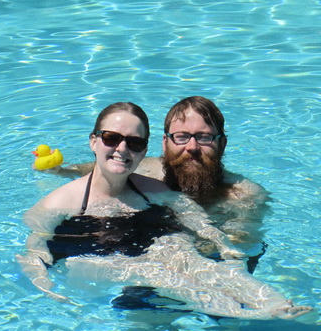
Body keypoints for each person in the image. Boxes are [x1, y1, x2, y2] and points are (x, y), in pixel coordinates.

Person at [19, 102, 312, 320]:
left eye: (134, 143)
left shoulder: (151, 187)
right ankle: (250, 313)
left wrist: (220, 243)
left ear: (144, 150)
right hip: (88, 255)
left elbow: (188, 211)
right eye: (110, 138)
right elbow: (34, 248)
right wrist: (44, 284)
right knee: (156, 271)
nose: (122, 148)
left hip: (146, 244)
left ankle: (273, 303)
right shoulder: (58, 202)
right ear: (93, 141)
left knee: (179, 252)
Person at [41, 96, 269, 258]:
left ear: (222, 143)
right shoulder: (146, 170)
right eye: (181, 137)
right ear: (165, 143)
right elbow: (100, 167)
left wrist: (182, 252)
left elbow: (238, 250)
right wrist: (60, 171)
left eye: (204, 137)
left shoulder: (244, 195)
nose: (192, 147)